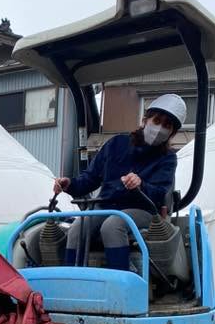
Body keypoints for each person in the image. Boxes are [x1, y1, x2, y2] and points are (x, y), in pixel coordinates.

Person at [53, 93, 185, 271]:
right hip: (106, 205)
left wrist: (141, 185)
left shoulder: (167, 158)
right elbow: (90, 178)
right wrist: (70, 184)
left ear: (172, 133)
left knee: (113, 225)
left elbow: (159, 194)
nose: (159, 128)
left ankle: (121, 279)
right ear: (145, 120)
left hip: (143, 209)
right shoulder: (116, 144)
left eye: (167, 125)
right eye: (157, 120)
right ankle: (72, 277)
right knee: (78, 228)